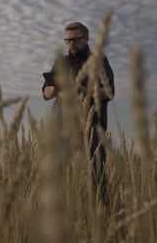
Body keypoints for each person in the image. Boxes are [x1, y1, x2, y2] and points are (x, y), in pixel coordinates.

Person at [41, 22, 115, 206]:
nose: (71, 44)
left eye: (75, 39)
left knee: (96, 172)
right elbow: (45, 94)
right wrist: (55, 87)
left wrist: (83, 89)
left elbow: (110, 92)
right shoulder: (61, 62)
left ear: (86, 39)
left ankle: (102, 216)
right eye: (67, 40)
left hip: (92, 126)